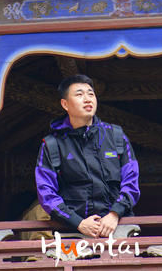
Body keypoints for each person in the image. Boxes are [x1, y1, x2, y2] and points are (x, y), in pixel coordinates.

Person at [35, 74, 140, 237]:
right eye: (79, 94)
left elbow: (131, 181)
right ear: (65, 104)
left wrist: (114, 214)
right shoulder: (52, 145)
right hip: (71, 232)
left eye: (90, 94)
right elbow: (46, 194)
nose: (87, 99)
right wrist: (78, 223)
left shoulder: (116, 136)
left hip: (118, 228)